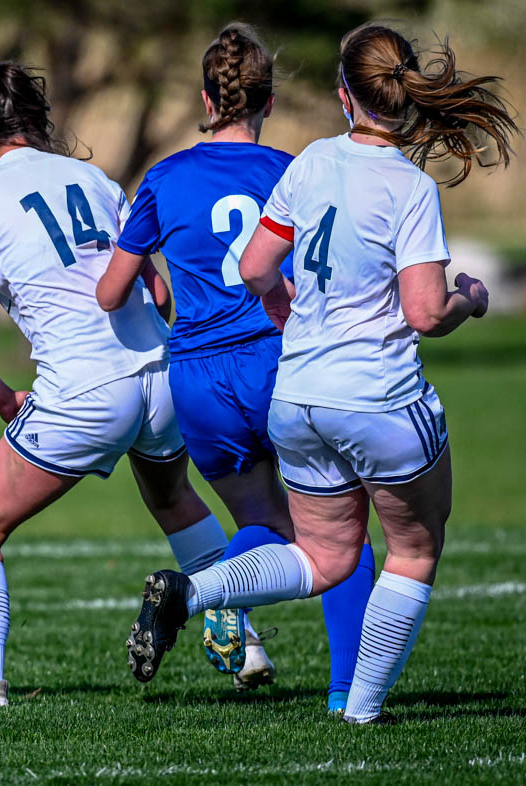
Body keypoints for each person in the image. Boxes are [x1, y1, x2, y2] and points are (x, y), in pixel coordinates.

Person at [126, 22, 516, 723]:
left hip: (297, 393)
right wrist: (472, 301)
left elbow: (253, 266)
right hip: (377, 397)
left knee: (324, 556)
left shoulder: (306, 164)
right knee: (416, 547)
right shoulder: (409, 185)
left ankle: (194, 593)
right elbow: (425, 313)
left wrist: (285, 309)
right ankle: (358, 709)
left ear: (344, 97)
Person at [0, 62, 231, 707]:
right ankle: (247, 645)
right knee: (175, 498)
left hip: (82, 393)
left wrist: (5, 400)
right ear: (36, 120)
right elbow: (156, 289)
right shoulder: (95, 179)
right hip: (160, 379)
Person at [99, 23, 374, 710]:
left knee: (264, 518)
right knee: (343, 529)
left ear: (204, 97)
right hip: (278, 359)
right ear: (269, 103)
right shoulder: (294, 170)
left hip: (196, 379)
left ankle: (212, 592)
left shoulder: (163, 178)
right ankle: (349, 694)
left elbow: (109, 292)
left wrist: (161, 279)